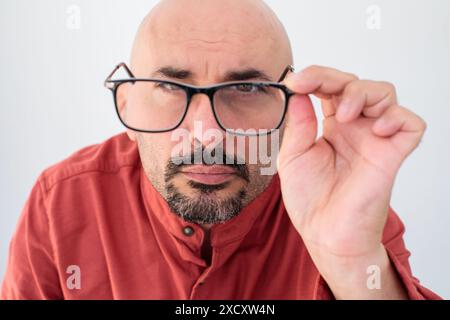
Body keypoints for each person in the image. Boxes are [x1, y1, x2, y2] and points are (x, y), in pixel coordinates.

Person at [1, 0, 441, 299]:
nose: (207, 134)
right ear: (125, 104)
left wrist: (356, 267)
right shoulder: (60, 202)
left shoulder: (339, 193)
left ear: (290, 104)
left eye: (246, 87)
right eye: (171, 86)